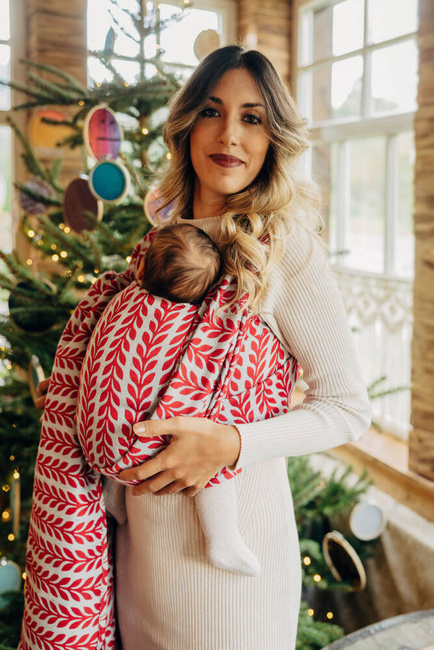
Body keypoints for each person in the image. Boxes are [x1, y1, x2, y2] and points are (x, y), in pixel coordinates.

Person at [34, 45, 371, 650]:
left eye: (252, 118)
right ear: (188, 125)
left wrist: (232, 444)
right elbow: (139, 365)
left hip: (230, 579)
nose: (229, 135)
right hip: (139, 556)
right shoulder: (163, 241)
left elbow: (348, 408)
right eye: (213, 112)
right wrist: (80, 395)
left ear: (273, 138)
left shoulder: (284, 248)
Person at [77, 222, 262, 577]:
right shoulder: (194, 323)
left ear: (141, 270)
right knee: (209, 427)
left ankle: (113, 496)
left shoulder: (120, 300)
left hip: (92, 439)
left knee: (125, 409)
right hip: (139, 449)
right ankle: (221, 536)